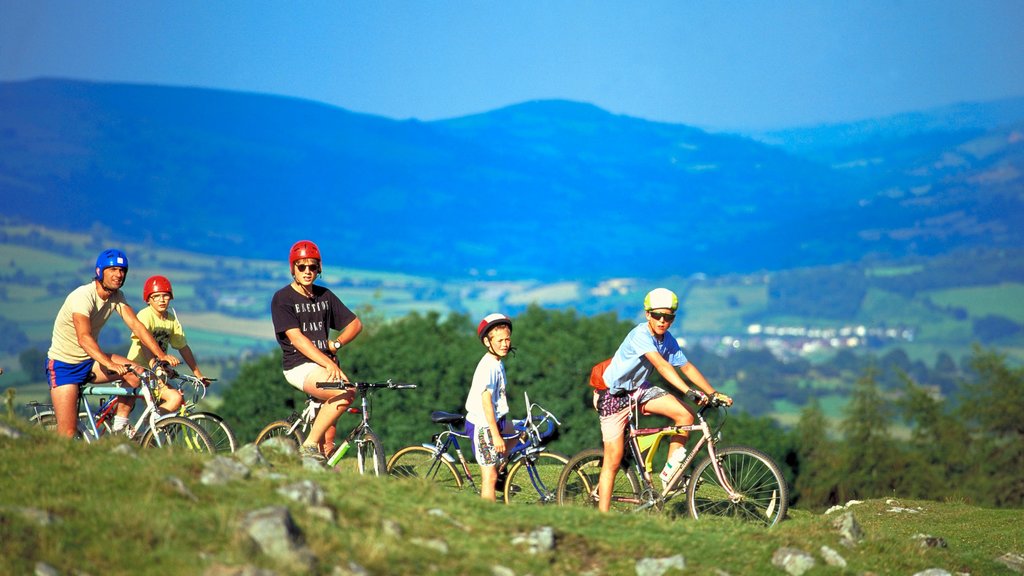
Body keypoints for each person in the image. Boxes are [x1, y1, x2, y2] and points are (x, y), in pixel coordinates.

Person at [595, 287, 733, 512]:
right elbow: (661, 365)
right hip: (613, 394)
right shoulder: (640, 335)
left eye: (668, 317)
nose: (662, 320)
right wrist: (688, 391)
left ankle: (670, 473)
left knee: (685, 415)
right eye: (657, 315)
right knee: (614, 458)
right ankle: (602, 516)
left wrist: (712, 393)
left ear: (673, 318)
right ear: (647, 314)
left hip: (639, 389)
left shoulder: (667, 339)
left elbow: (686, 366)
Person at [45, 249, 180, 438]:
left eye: (122, 270)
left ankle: (119, 427)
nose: (119, 274)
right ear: (100, 271)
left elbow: (137, 326)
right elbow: (84, 338)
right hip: (64, 366)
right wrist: (110, 364)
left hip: (90, 361)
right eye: (114, 269)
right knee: (67, 433)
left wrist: (161, 355)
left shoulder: (117, 296)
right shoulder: (82, 297)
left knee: (136, 374)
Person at [270, 240, 363, 461]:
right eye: (301, 266)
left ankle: (323, 469)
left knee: (329, 437)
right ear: (293, 268)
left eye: (312, 267)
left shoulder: (325, 296)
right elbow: (298, 340)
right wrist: (329, 363)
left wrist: (336, 344)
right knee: (345, 393)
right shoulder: (282, 298)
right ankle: (309, 444)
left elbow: (355, 324)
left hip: (324, 365)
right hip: (299, 365)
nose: (307, 271)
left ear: (319, 269)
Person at [125, 275, 209, 414]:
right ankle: (150, 428)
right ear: (148, 299)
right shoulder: (145, 315)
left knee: (174, 400)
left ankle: (150, 429)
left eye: (165, 295)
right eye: (156, 296)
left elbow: (183, 347)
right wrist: (155, 366)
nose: (162, 299)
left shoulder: (170, 320)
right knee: (175, 398)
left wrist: (197, 374)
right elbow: (144, 343)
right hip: (140, 369)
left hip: (156, 371)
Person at [464, 313, 516, 502]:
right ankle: (487, 518)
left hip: (497, 421)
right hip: (483, 426)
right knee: (489, 477)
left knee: (521, 431)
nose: (505, 344)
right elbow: (486, 401)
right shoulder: (488, 366)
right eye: (499, 340)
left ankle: (500, 467)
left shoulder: (497, 363)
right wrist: (495, 435)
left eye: (507, 339)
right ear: (487, 342)